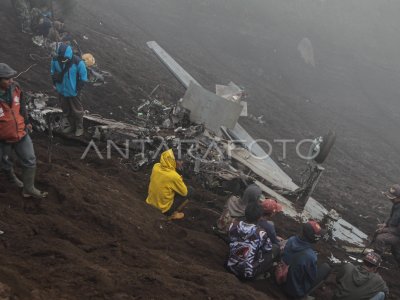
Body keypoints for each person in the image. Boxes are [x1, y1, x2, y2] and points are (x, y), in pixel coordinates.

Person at [0, 63, 47, 198]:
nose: (11, 80)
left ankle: (29, 188)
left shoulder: (16, 88)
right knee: (5, 162)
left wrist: (27, 122)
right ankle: (11, 178)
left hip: (21, 131)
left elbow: (22, 107)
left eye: (12, 77)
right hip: (3, 138)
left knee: (30, 158)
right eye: (7, 79)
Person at [227, 202, 278, 279]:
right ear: (259, 217)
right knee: (274, 250)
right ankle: (261, 275)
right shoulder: (261, 233)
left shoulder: (233, 225)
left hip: (230, 265)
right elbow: (268, 249)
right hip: (247, 273)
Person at [282, 220, 331, 299]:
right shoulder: (310, 256)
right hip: (294, 291)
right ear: (315, 238)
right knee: (326, 267)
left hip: (283, 278)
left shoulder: (292, 239)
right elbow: (311, 278)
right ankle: (305, 296)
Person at [50, 43, 88, 136]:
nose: (63, 60)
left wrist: (77, 89)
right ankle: (70, 126)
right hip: (62, 91)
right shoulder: (55, 60)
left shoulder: (78, 62)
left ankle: (79, 127)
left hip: (73, 92)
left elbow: (83, 77)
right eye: (62, 58)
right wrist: (55, 84)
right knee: (66, 109)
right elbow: (52, 72)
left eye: (65, 58)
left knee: (77, 110)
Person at [145, 149, 190, 220]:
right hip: (163, 209)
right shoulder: (174, 176)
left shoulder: (156, 166)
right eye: (179, 160)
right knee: (190, 191)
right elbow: (184, 193)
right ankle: (172, 214)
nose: (181, 162)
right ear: (172, 160)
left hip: (150, 202)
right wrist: (180, 179)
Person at [372, 184, 400, 265]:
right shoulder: (397, 205)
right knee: (396, 251)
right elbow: (392, 216)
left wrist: (384, 230)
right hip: (395, 231)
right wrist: (385, 224)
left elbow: (398, 231)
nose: (390, 199)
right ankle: (375, 253)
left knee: (381, 239)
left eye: (392, 198)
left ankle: (375, 261)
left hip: (398, 234)